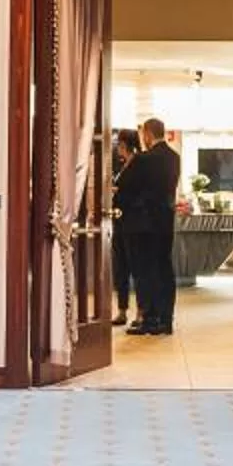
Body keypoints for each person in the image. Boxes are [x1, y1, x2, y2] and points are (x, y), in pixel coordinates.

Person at [114, 117, 183, 337]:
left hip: (142, 225)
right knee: (164, 269)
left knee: (145, 272)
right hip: (165, 223)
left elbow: (124, 188)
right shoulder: (174, 158)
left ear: (147, 134)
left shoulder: (144, 159)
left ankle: (149, 319)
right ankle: (166, 319)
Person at [108, 129, 140, 325]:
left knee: (135, 268)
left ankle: (141, 312)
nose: (117, 147)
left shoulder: (139, 163)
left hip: (133, 222)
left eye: (120, 144)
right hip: (119, 222)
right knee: (121, 268)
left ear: (128, 144)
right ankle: (122, 310)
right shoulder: (120, 164)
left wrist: (118, 191)